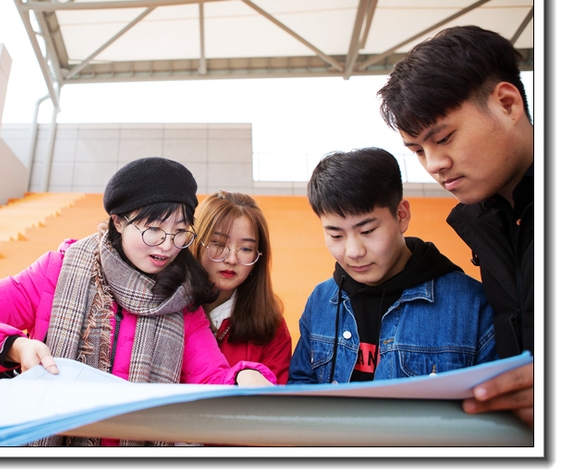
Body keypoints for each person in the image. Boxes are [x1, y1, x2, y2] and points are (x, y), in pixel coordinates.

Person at [0, 157, 276, 446]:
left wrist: (244, 376)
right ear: (119, 221)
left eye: (180, 231)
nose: (168, 245)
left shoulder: (182, 301)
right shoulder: (58, 270)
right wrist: (13, 346)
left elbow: (210, 377)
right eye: (154, 229)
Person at [378, 25, 534, 429]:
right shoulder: (488, 220)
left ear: (507, 103)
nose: (434, 164)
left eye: (444, 138)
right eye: (417, 150)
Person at [288, 147, 497, 385]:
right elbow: (301, 385)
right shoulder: (320, 301)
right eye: (336, 236)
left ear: (401, 215)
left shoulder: (470, 304)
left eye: (367, 231)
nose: (354, 252)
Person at [191, 191, 292, 384]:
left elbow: (274, 398)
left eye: (246, 249)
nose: (231, 259)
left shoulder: (271, 327)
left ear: (258, 257)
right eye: (219, 243)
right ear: (196, 242)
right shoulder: (170, 310)